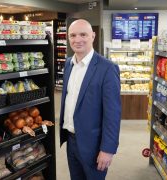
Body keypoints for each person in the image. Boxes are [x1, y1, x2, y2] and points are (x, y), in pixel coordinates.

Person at [59, 19, 121, 180]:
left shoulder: (107, 68)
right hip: (71, 140)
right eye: (72, 35)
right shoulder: (68, 64)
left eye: (83, 34)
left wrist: (107, 149)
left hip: (94, 145)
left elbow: (112, 114)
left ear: (92, 36)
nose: (77, 39)